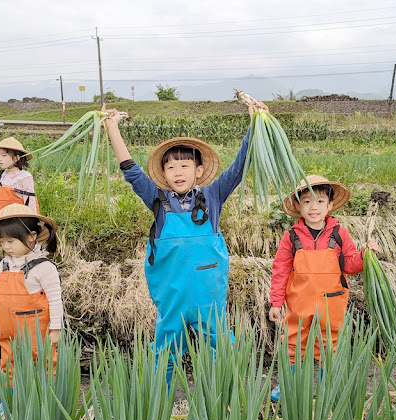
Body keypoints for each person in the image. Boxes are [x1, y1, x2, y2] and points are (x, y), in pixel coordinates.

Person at [102, 100, 268, 384]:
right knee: (165, 356)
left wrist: (255, 125)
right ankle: (158, 412)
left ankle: (225, 406)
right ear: (163, 174)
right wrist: (112, 128)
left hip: (208, 297)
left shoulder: (213, 197)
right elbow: (130, 169)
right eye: (170, 167)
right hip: (173, 297)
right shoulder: (158, 200)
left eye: (184, 165)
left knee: (222, 353)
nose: (177, 172)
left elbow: (240, 167)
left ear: (199, 170)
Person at [268, 175, 379, 402]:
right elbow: (280, 270)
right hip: (299, 301)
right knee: (293, 341)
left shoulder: (339, 234)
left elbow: (350, 265)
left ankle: (328, 385)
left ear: (329, 205)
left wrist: (364, 254)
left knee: (330, 342)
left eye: (319, 201)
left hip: (332, 300)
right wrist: (276, 302)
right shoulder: (291, 237)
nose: (313, 207)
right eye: (307, 201)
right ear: (298, 206)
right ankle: (289, 385)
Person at [0, 203, 62, 375]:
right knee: (9, 366)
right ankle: (11, 400)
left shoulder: (44, 267)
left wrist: (56, 329)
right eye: (2, 242)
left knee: (45, 367)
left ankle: (47, 400)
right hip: (8, 334)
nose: (6, 247)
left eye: (10, 241)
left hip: (36, 338)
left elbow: (55, 301)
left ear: (31, 236)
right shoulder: (5, 264)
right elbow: (3, 296)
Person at [0, 137, 39, 213]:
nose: (0, 159)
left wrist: (33, 218)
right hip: (3, 217)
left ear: (16, 158)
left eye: (4, 155)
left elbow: (30, 200)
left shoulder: (24, 177)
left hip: (21, 217)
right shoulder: (1, 175)